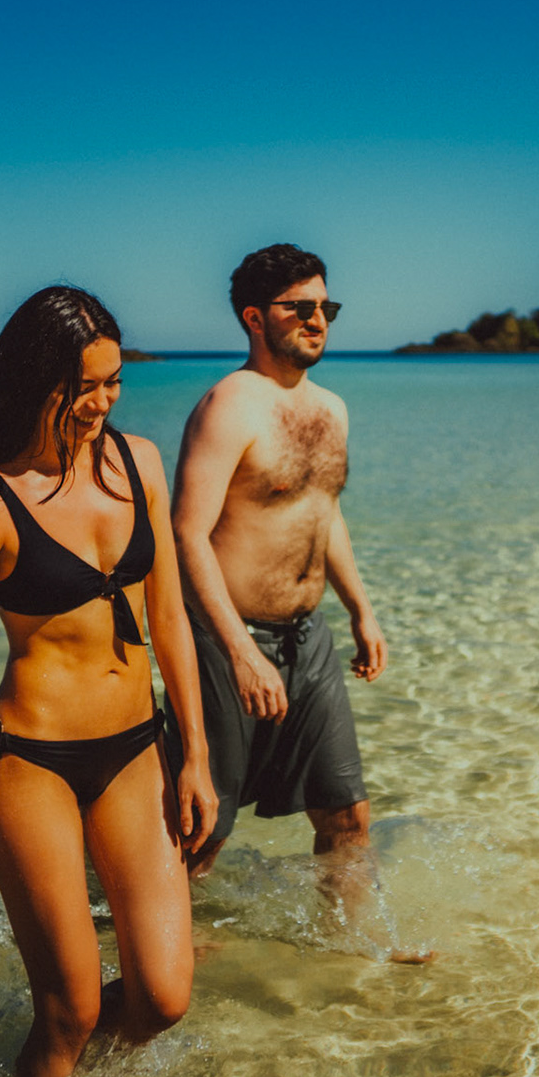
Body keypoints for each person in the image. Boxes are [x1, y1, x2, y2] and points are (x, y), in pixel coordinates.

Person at [0, 285, 218, 1077]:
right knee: (71, 1013)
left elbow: (170, 624)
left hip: (135, 751)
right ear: (34, 383)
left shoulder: (140, 465)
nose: (101, 403)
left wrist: (194, 755)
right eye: (80, 388)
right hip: (33, 763)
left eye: (113, 382)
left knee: (163, 998)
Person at [169, 243, 393, 911]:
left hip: (309, 638)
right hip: (228, 642)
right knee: (202, 826)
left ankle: (350, 950)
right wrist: (238, 650)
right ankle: (164, 956)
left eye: (326, 307)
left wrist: (361, 609)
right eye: (300, 308)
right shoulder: (228, 406)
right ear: (253, 317)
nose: (318, 320)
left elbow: (324, 514)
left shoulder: (333, 408)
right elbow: (185, 533)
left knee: (347, 815)